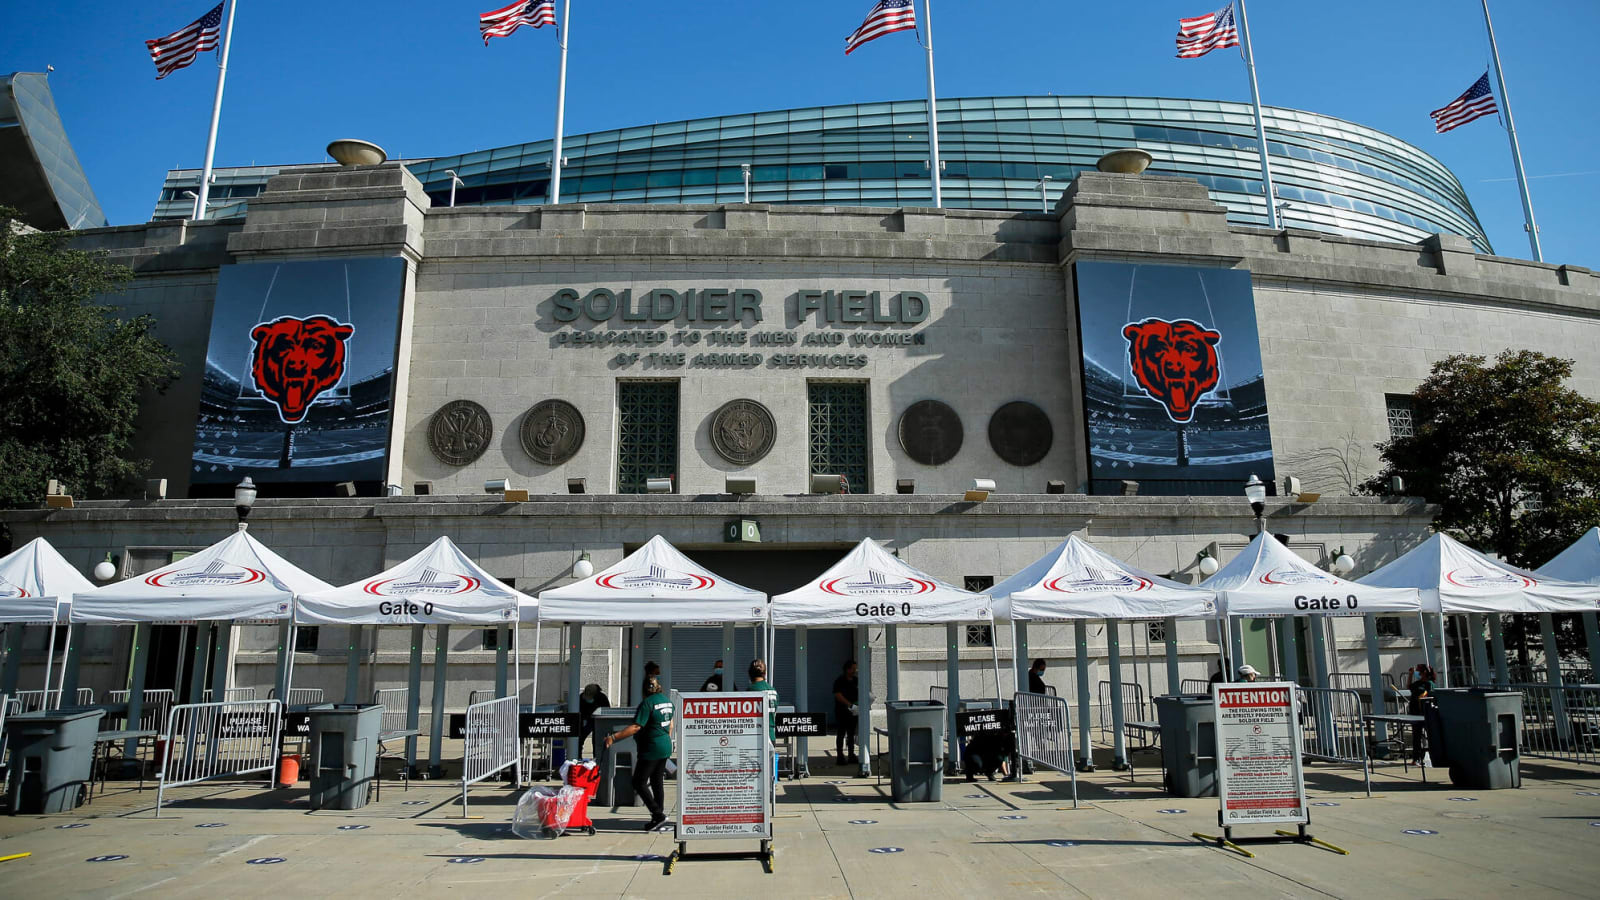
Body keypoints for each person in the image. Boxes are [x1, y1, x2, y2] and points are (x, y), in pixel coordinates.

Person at [605, 675, 674, 832]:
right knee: (657, 782)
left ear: (644, 689)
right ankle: (658, 816)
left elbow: (636, 727)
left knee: (639, 781)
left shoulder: (647, 703)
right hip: (664, 745)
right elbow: (670, 724)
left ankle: (658, 814)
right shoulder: (667, 701)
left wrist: (613, 737)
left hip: (651, 747)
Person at [1404, 662, 1437, 763]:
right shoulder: (1417, 683)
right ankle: (1416, 758)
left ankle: (1434, 756)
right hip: (1415, 711)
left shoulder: (1429, 684)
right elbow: (1409, 686)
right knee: (1416, 735)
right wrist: (1410, 674)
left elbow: (1430, 695)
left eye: (1419, 671)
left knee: (1430, 735)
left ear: (1424, 673)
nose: (1417, 673)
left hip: (1425, 712)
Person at [833, 659, 860, 765]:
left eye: (855, 668)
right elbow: (837, 694)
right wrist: (849, 704)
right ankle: (840, 756)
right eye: (852, 668)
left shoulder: (856, 680)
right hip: (842, 711)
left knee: (851, 734)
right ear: (847, 669)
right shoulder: (840, 680)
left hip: (853, 712)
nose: (854, 670)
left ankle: (851, 754)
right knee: (841, 733)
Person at [576, 683, 611, 758]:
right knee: (579, 739)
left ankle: (597, 758)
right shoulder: (581, 698)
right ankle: (578, 757)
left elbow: (607, 711)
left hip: (599, 720)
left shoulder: (602, 698)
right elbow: (579, 712)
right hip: (586, 720)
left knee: (597, 741)